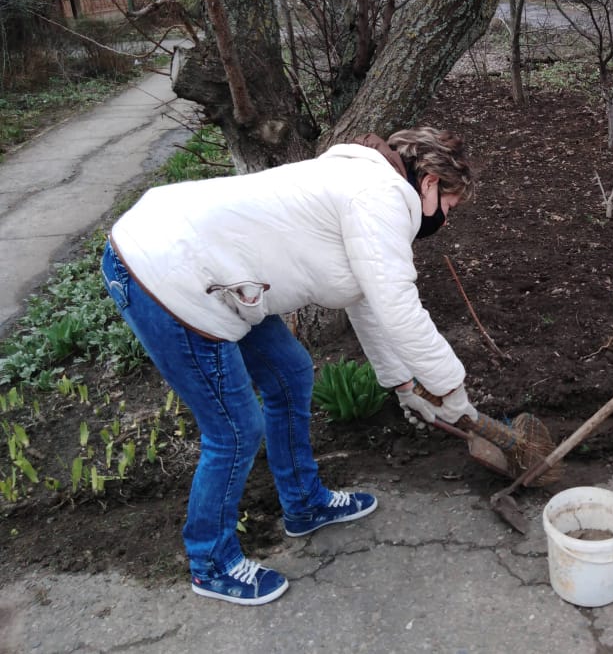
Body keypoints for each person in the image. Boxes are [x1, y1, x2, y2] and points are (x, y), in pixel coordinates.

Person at [101, 127, 479, 606]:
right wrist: (452, 393)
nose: (446, 219)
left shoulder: (365, 188)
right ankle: (211, 563)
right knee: (235, 428)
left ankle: (304, 504)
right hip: (166, 273)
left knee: (292, 373)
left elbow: (368, 300)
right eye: (451, 205)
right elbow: (399, 308)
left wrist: (405, 386)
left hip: (212, 270)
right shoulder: (379, 195)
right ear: (429, 185)